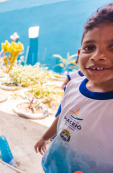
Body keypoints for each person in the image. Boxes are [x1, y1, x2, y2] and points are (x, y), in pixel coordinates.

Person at [34, 3, 113, 172]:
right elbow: (64, 116)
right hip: (53, 165)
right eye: (89, 47)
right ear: (79, 54)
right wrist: (45, 138)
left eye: (112, 47)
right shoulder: (73, 85)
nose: (97, 56)